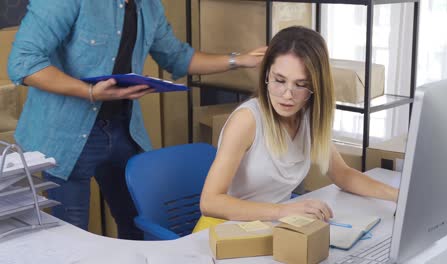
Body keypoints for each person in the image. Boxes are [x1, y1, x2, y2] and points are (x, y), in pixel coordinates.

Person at [7, 0, 265, 240]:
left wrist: (239, 60)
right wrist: (89, 92)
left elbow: (177, 57)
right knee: (73, 236)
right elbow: (23, 62)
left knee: (138, 224)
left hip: (124, 128)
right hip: (64, 134)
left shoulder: (149, 5)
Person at [195, 26, 398, 231]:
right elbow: (210, 202)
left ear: (316, 86)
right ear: (267, 74)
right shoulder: (247, 121)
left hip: (270, 228)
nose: (287, 94)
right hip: (224, 231)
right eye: (279, 80)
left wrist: (398, 195)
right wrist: (283, 211)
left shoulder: (308, 116)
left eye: (300, 84)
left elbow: (342, 174)